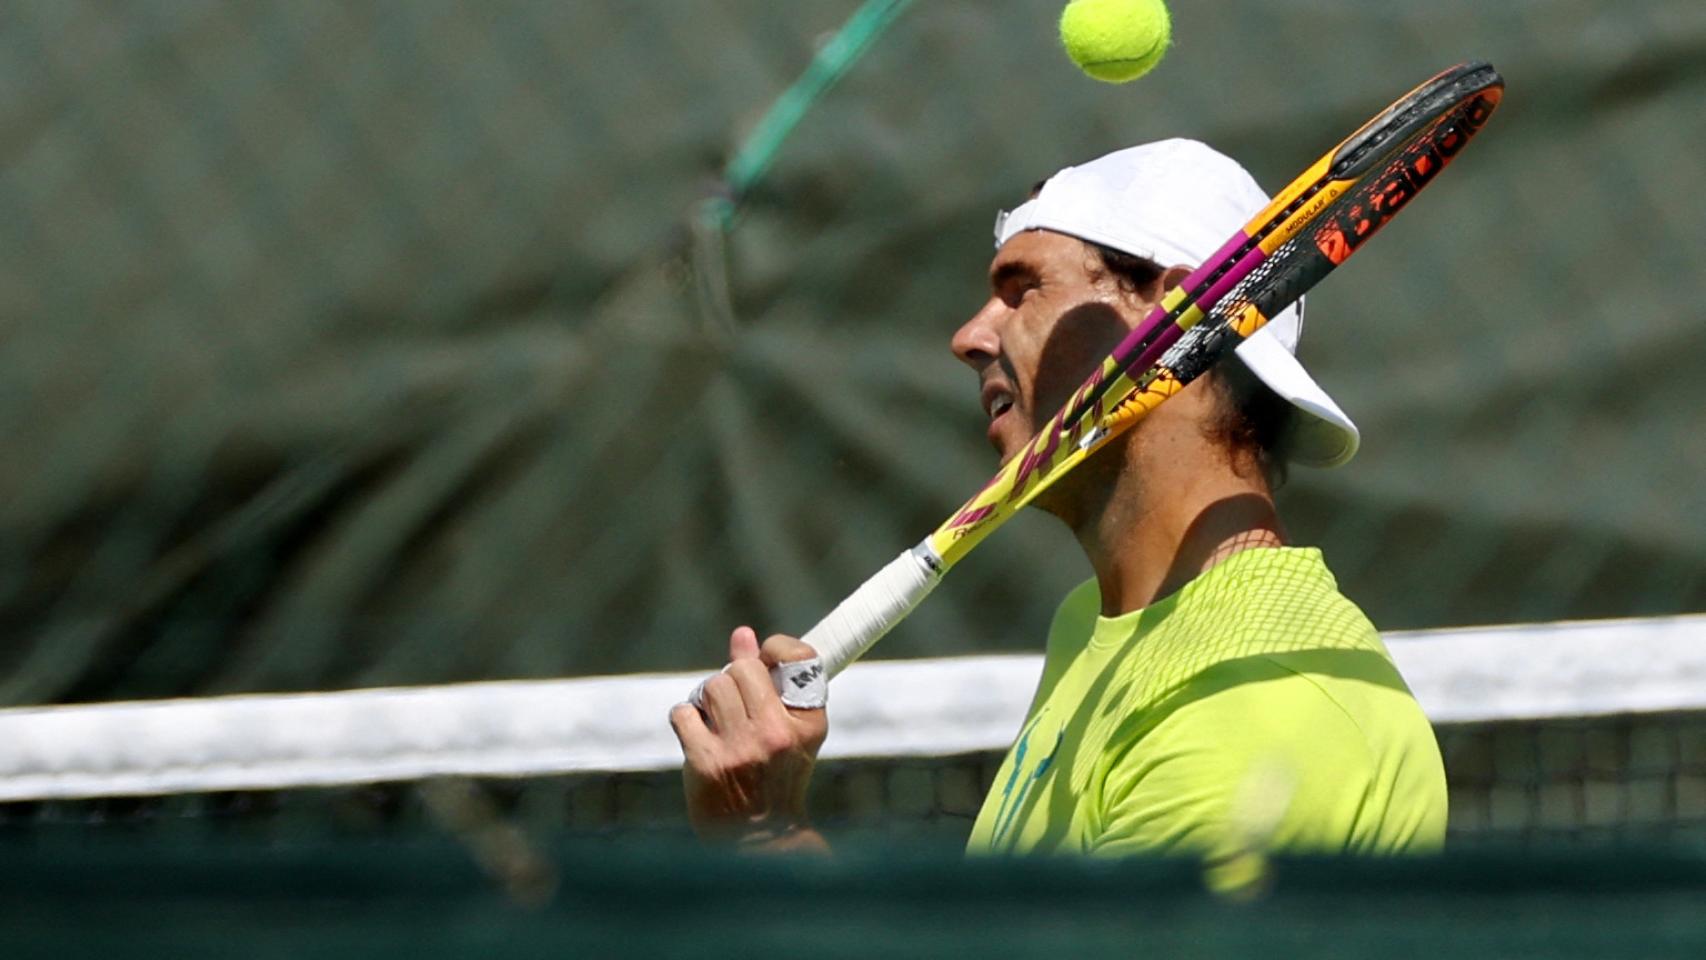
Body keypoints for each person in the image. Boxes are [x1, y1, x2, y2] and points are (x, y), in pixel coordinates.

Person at [669, 139, 1448, 858]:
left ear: (1173, 319)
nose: (969, 337)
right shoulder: (1101, 627)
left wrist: (772, 841)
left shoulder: (1258, 701)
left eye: (1022, 290)